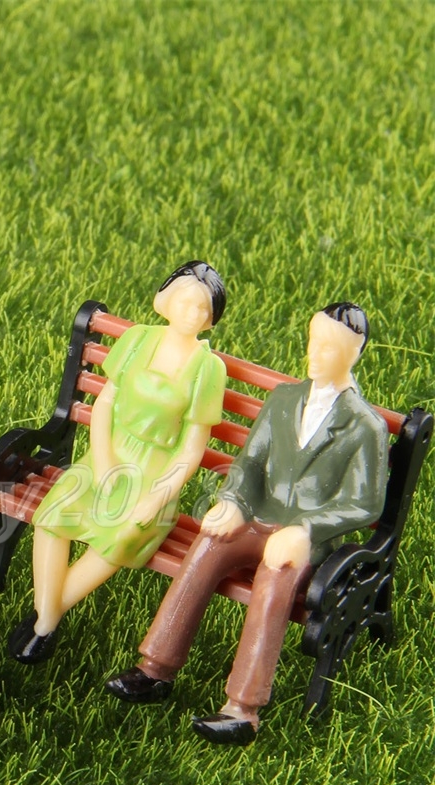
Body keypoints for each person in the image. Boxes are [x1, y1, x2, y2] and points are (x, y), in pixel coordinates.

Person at [105, 302, 388, 744]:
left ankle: (242, 708)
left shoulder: (365, 425)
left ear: (354, 354)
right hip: (257, 519)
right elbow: (250, 462)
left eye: (329, 348)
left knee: (274, 579)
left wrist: (306, 529)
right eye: (313, 342)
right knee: (208, 544)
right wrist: (234, 502)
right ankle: (155, 668)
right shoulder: (285, 399)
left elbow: (363, 503)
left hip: (302, 541)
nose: (315, 354)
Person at [9, 261, 228, 663]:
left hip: (156, 471)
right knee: (54, 515)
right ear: (166, 300)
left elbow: (190, 450)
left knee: (124, 533)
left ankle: (44, 622)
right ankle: (46, 618)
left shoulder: (208, 368)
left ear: (211, 318)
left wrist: (157, 497)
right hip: (110, 451)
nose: (191, 313)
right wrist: (105, 462)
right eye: (184, 301)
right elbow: (105, 404)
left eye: (202, 308)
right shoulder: (139, 339)